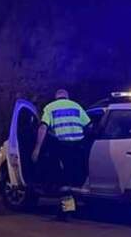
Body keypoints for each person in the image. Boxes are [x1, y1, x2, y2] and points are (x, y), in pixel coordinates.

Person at [32, 89, 92, 218]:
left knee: (62, 180)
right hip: (78, 147)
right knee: (74, 178)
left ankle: (67, 211)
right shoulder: (76, 106)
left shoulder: (50, 108)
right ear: (67, 97)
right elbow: (89, 125)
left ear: (56, 97)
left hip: (62, 146)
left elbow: (43, 127)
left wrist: (37, 148)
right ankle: (73, 206)